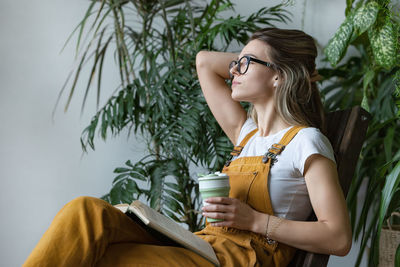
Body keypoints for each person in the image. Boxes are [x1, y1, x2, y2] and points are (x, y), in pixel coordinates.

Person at [23, 28, 352, 267]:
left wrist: (254, 221)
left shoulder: (305, 141)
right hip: (201, 247)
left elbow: (337, 237)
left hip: (235, 261)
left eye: (245, 63)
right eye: (235, 63)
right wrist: (253, 60)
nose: (234, 69)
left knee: (110, 259)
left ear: (278, 75)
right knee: (86, 211)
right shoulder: (247, 135)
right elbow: (204, 62)